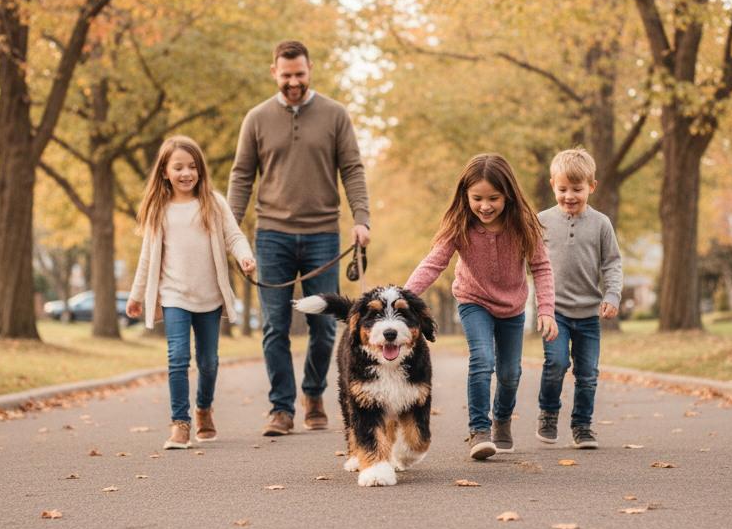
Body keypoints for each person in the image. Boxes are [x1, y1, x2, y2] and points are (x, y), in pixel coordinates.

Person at [227, 40, 371, 436]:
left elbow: (353, 169)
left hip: (323, 233)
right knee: (275, 325)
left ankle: (314, 393)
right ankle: (281, 408)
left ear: (310, 70)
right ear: (273, 71)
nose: (294, 81)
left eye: (300, 74)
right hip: (271, 233)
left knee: (325, 325)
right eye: (286, 74)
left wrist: (362, 219)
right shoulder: (256, 118)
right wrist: (230, 226)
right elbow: (241, 176)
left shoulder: (335, 114)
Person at [405, 153, 556, 459]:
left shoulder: (523, 224)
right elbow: (434, 263)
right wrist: (403, 297)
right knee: (483, 359)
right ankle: (479, 430)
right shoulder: (460, 224)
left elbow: (541, 267)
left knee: (510, 372)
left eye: (493, 198)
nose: (485, 206)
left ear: (508, 196)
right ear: (465, 195)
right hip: (473, 300)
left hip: (513, 306)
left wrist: (546, 309)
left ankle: (501, 420)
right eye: (477, 198)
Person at [126, 136, 256, 450]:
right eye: (179, 167)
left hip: (209, 296)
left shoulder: (213, 202)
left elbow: (234, 236)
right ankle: (180, 423)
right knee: (178, 358)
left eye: (192, 166)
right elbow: (147, 256)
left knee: (209, 361)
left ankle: (203, 408)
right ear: (164, 172)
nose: (187, 173)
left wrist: (245, 256)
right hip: (173, 297)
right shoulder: (159, 209)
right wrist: (136, 295)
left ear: (200, 170)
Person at [534, 147, 622, 449]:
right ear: (552, 186)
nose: (569, 196)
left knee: (587, 374)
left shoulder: (601, 224)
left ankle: (582, 426)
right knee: (556, 364)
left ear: (591, 187)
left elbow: (612, 262)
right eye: (562, 189)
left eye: (577, 189)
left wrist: (612, 294)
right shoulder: (541, 222)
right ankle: (548, 412)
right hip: (554, 312)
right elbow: (527, 264)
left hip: (588, 314)